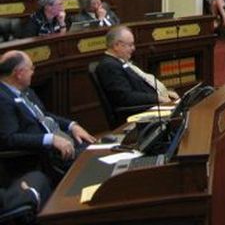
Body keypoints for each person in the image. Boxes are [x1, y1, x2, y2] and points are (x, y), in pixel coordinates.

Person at [0, 51, 95, 181]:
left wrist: (72, 125)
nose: (33, 72)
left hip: (64, 140)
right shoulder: (3, 99)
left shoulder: (25, 89)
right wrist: (50, 139)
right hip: (46, 156)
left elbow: (43, 115)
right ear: (19, 73)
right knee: (98, 160)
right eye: (31, 68)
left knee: (103, 150)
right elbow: (9, 139)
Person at [95, 26, 179, 113]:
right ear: (116, 45)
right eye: (130, 45)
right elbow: (125, 96)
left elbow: (140, 85)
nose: (133, 48)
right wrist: (157, 98)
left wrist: (164, 93)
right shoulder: (109, 66)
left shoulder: (122, 62)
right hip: (140, 111)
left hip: (152, 103)